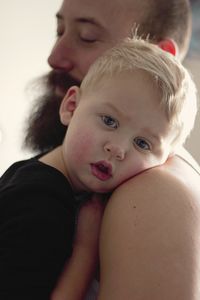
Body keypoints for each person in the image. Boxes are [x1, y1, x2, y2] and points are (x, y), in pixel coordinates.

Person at [21, 0, 200, 299]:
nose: (55, 57)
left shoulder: (152, 192)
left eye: (87, 37)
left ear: (158, 55)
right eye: (59, 30)